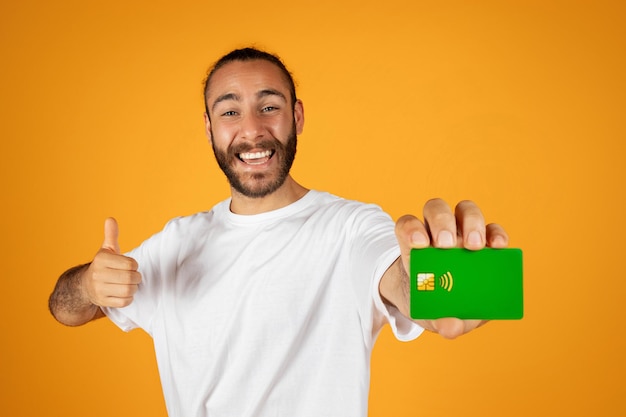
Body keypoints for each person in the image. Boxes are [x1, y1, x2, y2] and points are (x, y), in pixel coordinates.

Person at [49, 47, 509, 416]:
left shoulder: (350, 227)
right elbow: (65, 308)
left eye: (269, 106)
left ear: (298, 117)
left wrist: (454, 294)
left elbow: (405, 285)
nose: (252, 130)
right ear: (208, 128)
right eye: (230, 113)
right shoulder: (176, 243)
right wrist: (89, 283)